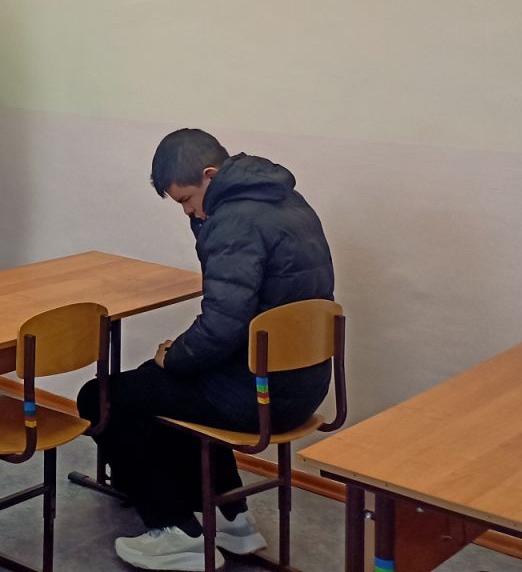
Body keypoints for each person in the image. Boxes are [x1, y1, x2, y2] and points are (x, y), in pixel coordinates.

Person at [78, 129, 335, 572]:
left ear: (211, 175)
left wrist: (174, 356)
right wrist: (176, 361)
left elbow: (222, 325)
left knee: (101, 397)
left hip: (259, 395)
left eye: (186, 199)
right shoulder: (287, 200)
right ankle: (233, 519)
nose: (187, 211)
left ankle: (176, 532)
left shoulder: (234, 221)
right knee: (158, 387)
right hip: (302, 385)